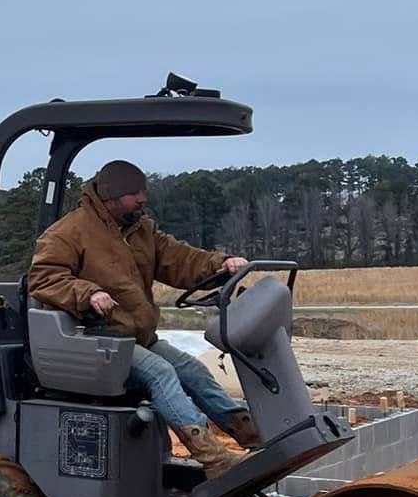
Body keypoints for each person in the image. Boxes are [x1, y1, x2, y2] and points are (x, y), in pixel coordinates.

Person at [27, 160, 257, 477]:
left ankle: (250, 434)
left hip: (135, 339)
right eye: (134, 193)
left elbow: (179, 258)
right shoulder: (68, 233)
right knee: (161, 373)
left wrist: (220, 263)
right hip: (97, 339)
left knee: (192, 369)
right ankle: (214, 458)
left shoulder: (139, 229)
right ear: (111, 196)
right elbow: (43, 279)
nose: (142, 199)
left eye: (142, 192)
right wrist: (88, 293)